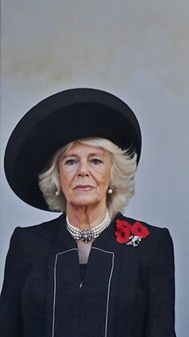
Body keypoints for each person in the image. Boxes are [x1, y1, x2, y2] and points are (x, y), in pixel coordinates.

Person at [0, 88, 176, 336]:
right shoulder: (27, 245)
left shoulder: (151, 246)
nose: (83, 171)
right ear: (58, 177)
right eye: (71, 161)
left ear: (112, 175)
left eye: (95, 160)